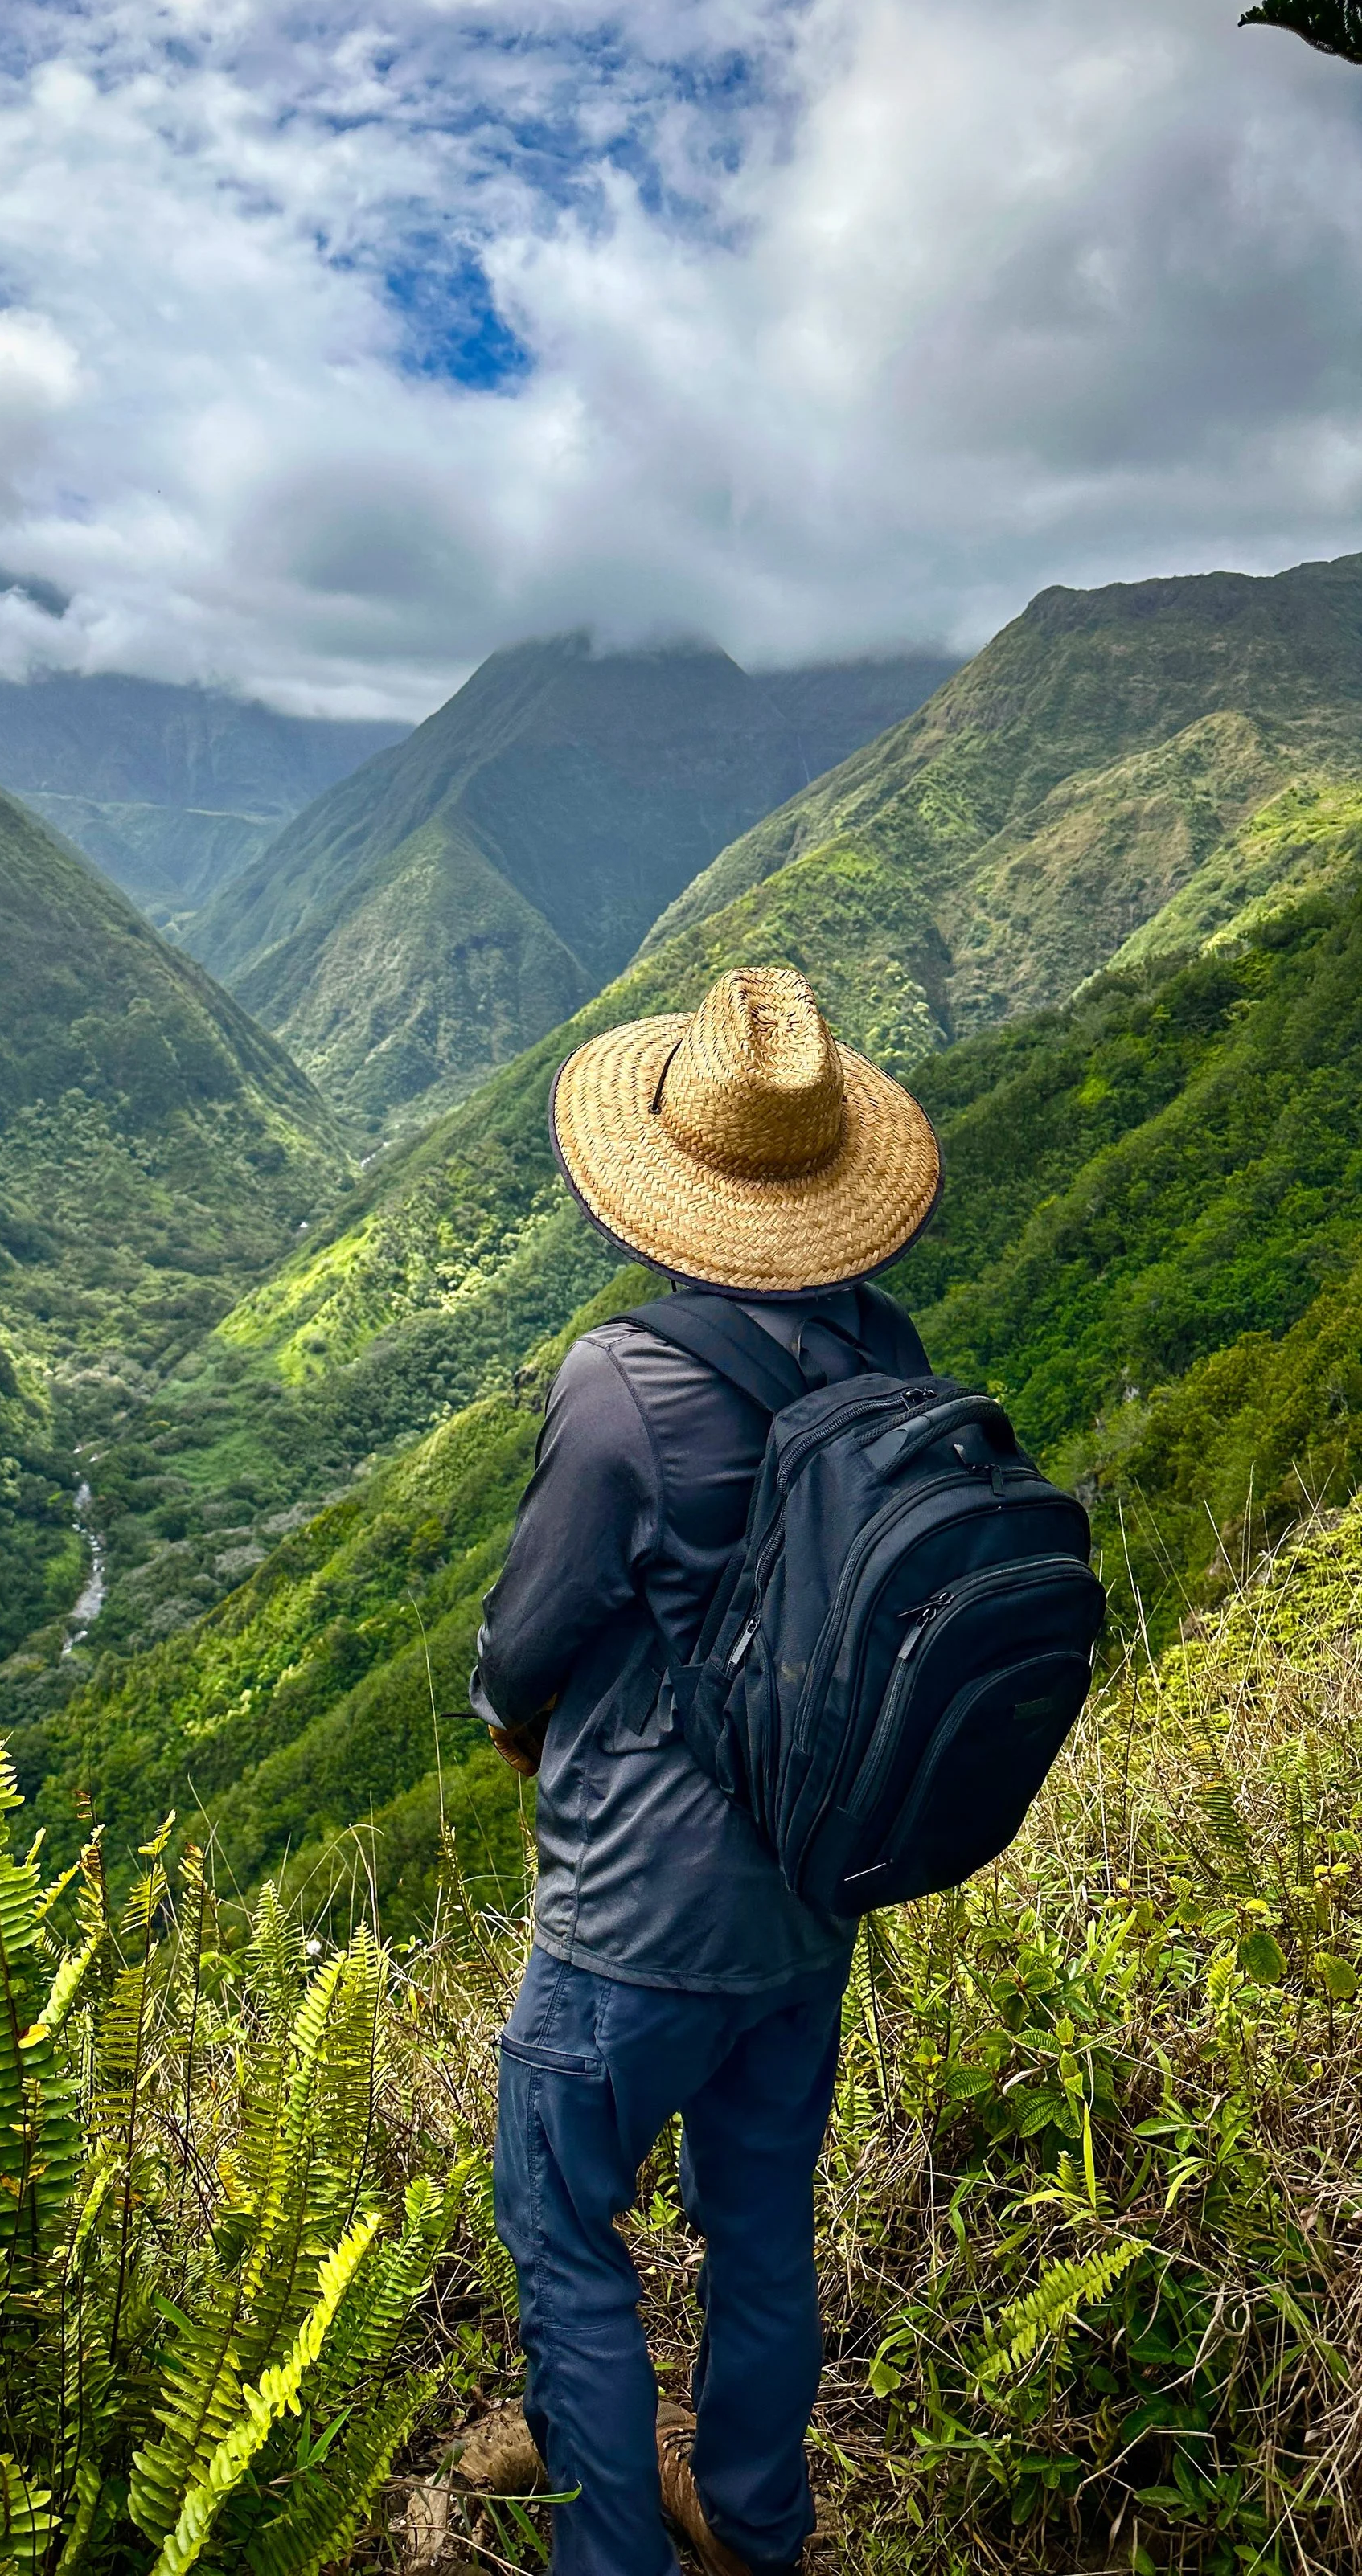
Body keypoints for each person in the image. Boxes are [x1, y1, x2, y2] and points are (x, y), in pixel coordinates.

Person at [472, 964, 943, 2576]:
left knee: (563, 2234)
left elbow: (524, 1640)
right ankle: (750, 2522)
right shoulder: (884, 1351)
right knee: (756, 2230)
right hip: (809, 1892)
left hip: (632, 1920)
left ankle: (610, 2554)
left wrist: (515, 1731)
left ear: (670, 1180)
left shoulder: (622, 1383)